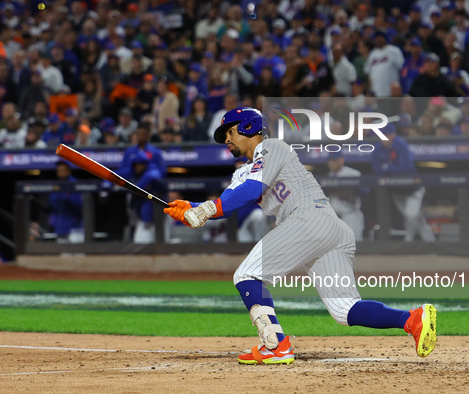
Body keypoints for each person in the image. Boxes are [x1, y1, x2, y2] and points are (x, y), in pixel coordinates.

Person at [164, 108, 437, 365]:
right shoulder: (243, 172)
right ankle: (412, 319)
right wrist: (191, 209)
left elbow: (249, 191)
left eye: (230, 131)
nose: (226, 138)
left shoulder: (273, 147)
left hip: (307, 220)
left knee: (247, 275)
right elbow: (230, 200)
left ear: (249, 127)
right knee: (344, 309)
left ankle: (276, 346)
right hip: (327, 229)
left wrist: (206, 209)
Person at [372, 124, 436, 242]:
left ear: (393, 135)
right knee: (416, 219)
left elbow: (406, 167)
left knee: (411, 216)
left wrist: (388, 168)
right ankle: (431, 243)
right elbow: (377, 170)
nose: (383, 138)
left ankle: (408, 241)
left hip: (413, 190)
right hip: (397, 192)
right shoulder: (377, 149)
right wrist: (393, 169)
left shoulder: (401, 145)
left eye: (386, 135)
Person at [327, 151, 365, 242]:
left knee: (355, 246)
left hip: (350, 215)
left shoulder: (353, 174)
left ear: (342, 160)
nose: (332, 163)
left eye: (335, 160)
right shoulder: (329, 176)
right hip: (335, 219)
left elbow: (365, 192)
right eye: (330, 160)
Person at [49, 161, 83, 243]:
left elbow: (79, 205)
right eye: (58, 169)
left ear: (68, 171)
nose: (60, 171)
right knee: (64, 255)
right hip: (60, 228)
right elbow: (52, 204)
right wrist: (53, 220)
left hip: (75, 228)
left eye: (62, 169)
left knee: (78, 254)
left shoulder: (75, 184)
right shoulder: (56, 186)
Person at [364, 31, 404, 97]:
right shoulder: (372, 53)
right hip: (375, 94)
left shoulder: (394, 51)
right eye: (376, 38)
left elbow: (402, 70)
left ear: (385, 38)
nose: (378, 40)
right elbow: (369, 74)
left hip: (390, 93)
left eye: (380, 37)